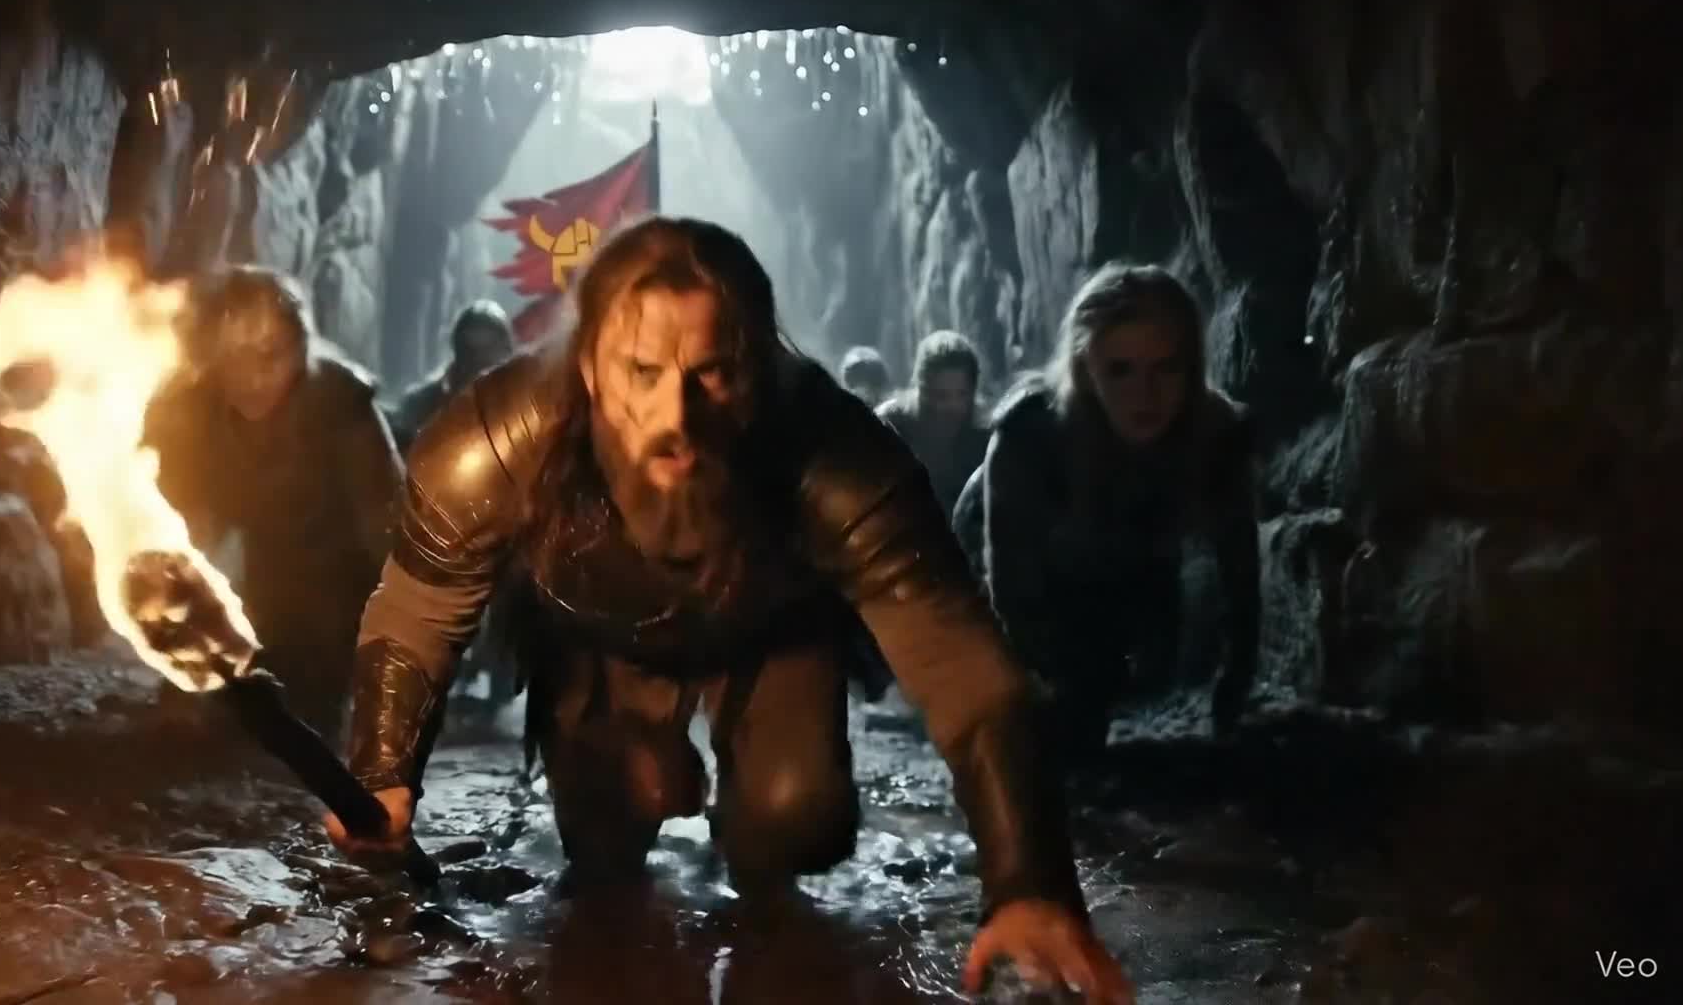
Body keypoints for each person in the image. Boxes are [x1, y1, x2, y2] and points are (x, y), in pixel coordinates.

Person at [325, 217, 1132, 1003]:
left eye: (710, 373)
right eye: (642, 372)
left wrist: (1031, 885)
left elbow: (962, 667)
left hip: (770, 636)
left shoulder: (836, 455)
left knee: (793, 827)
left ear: (756, 372)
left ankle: (746, 800)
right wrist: (382, 777)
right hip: (598, 640)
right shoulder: (493, 446)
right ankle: (644, 764)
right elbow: (416, 613)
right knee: (604, 843)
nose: (676, 419)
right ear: (591, 370)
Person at [983, 263, 1258, 762]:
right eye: (1120, 370)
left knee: (1142, 667)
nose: (1144, 395)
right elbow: (1009, 582)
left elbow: (1239, 568)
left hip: (1120, 559)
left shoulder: (1215, 432)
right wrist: (1044, 681)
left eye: (1166, 368)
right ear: (1086, 369)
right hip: (1011, 568)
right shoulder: (1032, 434)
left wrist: (1236, 676)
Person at [142, 266, 403, 739]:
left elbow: (387, 529)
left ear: (300, 350)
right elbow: (180, 527)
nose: (254, 377)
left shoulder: (341, 406)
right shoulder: (193, 410)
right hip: (255, 575)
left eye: (271, 356)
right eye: (236, 358)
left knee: (304, 714)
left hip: (333, 585)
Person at [877, 330, 990, 514]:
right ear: (922, 390)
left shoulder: (985, 434)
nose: (952, 406)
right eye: (941, 395)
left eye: (962, 394)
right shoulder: (889, 427)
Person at [388, 299, 516, 454]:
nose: (479, 365)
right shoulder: (423, 403)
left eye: (489, 349)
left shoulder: (519, 406)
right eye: (471, 351)